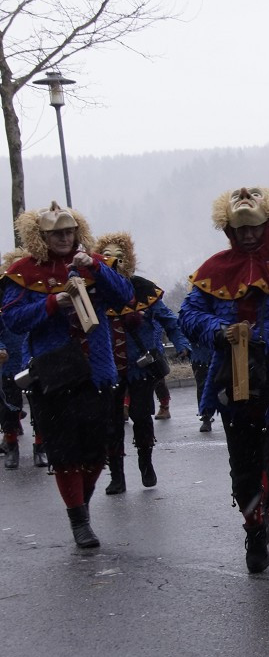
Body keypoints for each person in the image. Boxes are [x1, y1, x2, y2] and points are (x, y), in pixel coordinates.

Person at [179, 186, 269, 593]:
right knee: (244, 472)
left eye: (253, 228)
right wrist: (219, 332)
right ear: (228, 230)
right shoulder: (214, 267)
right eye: (238, 229)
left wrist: (259, 340)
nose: (246, 236)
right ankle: (255, 529)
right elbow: (189, 314)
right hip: (231, 380)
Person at [2, 201, 134, 547]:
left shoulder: (93, 263)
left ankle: (82, 505)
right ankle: (79, 520)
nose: (63, 238)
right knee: (64, 451)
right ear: (41, 236)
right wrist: (50, 303)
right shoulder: (23, 271)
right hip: (53, 372)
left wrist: (96, 268)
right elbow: (14, 320)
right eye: (56, 233)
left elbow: (124, 297)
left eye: (68, 231)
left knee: (96, 451)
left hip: (97, 370)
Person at [94, 232, 191, 495]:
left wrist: (181, 344)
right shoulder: (96, 292)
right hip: (109, 369)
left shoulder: (143, 289)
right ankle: (117, 475)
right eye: (109, 259)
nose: (116, 263)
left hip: (141, 367)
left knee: (140, 415)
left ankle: (145, 463)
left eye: (121, 258)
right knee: (112, 422)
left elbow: (169, 320)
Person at [0, 248, 46, 469]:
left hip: (34, 359)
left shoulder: (39, 295)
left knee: (39, 406)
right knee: (9, 408)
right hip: (8, 363)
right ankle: (11, 447)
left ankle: (40, 447)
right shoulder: (5, 299)